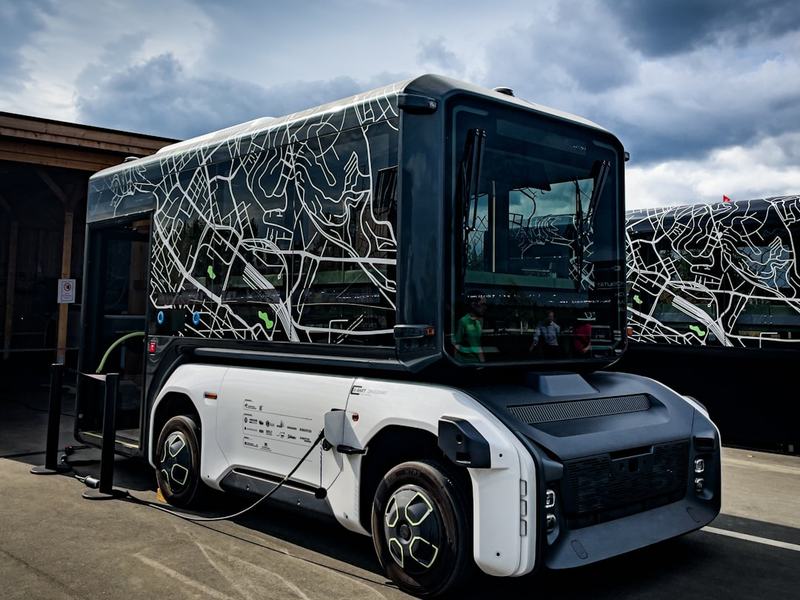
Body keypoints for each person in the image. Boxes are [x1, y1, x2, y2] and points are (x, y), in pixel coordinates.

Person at [453, 292, 486, 363]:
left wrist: (483, 362)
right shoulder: (463, 321)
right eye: (482, 304)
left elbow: (478, 344)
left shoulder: (478, 322)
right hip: (465, 362)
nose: (485, 307)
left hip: (477, 362)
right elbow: (457, 344)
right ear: (473, 305)